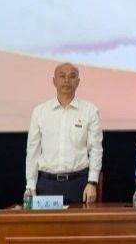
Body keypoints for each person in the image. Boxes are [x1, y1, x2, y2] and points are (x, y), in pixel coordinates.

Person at [24, 62, 103, 204]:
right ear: (54, 81)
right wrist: (30, 186)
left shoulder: (90, 111)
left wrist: (92, 182)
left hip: (79, 184)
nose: (67, 80)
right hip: (47, 185)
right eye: (62, 76)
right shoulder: (40, 112)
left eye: (72, 76)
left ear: (78, 82)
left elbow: (96, 149)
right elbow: (32, 151)